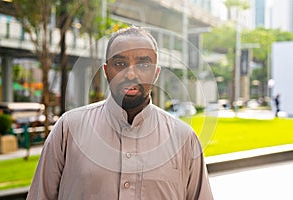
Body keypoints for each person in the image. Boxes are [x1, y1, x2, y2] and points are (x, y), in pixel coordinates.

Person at [27, 26, 213, 200]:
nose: (131, 74)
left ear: (156, 74)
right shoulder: (68, 129)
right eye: (120, 63)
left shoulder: (184, 139)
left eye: (143, 64)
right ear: (107, 71)